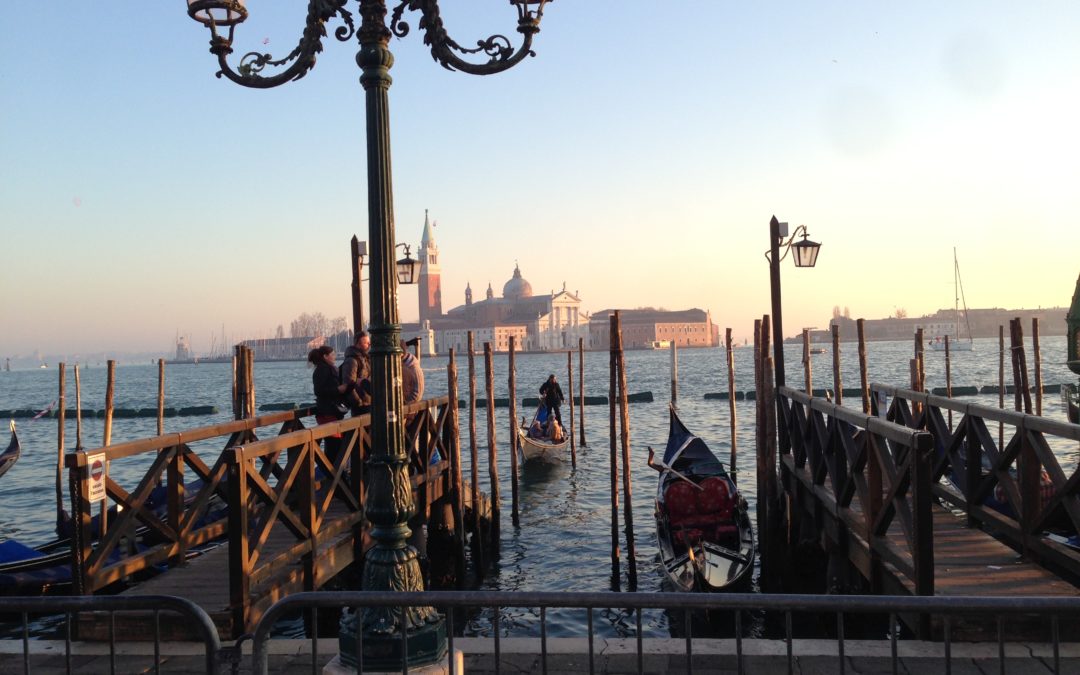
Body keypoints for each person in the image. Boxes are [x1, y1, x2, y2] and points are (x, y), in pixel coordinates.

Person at [308, 346, 350, 464]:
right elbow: (319, 391)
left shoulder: (328, 368)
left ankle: (333, 474)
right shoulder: (322, 369)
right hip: (327, 411)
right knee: (334, 445)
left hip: (331, 411)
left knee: (335, 445)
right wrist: (338, 389)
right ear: (325, 357)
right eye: (332, 354)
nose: (335, 356)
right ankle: (332, 474)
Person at [340, 331, 371, 417]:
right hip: (361, 406)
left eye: (369, 342)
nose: (369, 345)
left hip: (368, 402)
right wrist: (358, 402)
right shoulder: (352, 361)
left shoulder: (366, 358)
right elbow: (349, 384)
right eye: (366, 343)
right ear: (358, 344)